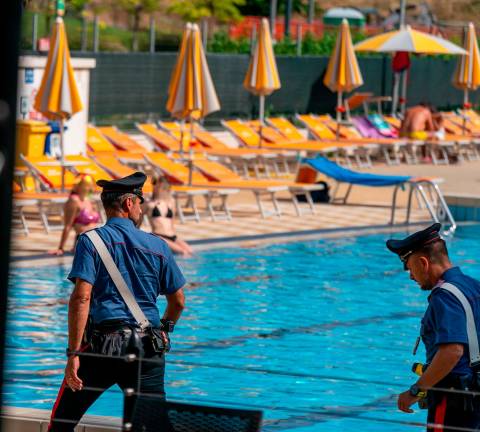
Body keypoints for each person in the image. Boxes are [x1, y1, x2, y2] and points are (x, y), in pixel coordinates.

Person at [48, 172, 186, 431]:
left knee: (62, 422)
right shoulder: (157, 246)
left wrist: (74, 354)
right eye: (140, 201)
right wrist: (165, 328)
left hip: (103, 348)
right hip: (148, 348)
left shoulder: (91, 241)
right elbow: (178, 301)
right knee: (156, 426)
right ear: (128, 204)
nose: (142, 207)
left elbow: (81, 298)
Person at [386, 223, 480, 431]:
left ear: (423, 262)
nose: (411, 276)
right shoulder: (473, 286)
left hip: (454, 398)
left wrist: (416, 390)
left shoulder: (444, 297)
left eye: (409, 268)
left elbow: (452, 351)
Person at [49, 174, 100, 256]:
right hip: (86, 242)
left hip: (94, 240)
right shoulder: (73, 201)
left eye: (90, 186)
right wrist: (60, 248)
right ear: (78, 186)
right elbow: (68, 225)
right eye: (87, 186)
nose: (89, 188)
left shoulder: (88, 199)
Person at [142, 176, 193, 256]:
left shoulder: (171, 202)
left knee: (190, 251)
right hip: (159, 236)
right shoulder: (149, 203)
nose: (159, 189)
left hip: (172, 236)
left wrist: (175, 239)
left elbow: (172, 223)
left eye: (162, 186)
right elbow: (138, 218)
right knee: (183, 252)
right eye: (157, 185)